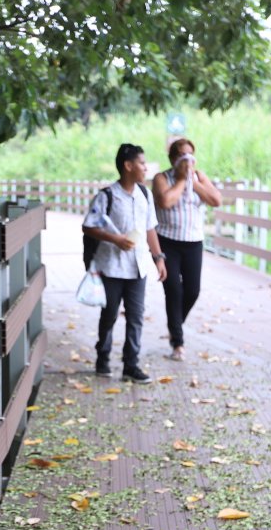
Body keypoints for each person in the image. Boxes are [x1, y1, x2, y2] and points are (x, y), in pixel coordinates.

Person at [83, 143, 168, 384]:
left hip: (137, 267)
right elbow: (88, 226)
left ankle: (131, 365)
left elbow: (150, 228)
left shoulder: (145, 194)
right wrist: (116, 239)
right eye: (142, 163)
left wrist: (158, 258)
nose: (145, 168)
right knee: (109, 314)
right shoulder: (107, 195)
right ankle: (103, 358)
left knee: (136, 317)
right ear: (128, 166)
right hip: (111, 267)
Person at [152, 137, 222, 361]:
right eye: (182, 155)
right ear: (173, 158)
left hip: (193, 242)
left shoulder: (199, 176)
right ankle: (178, 342)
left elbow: (216, 200)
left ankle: (175, 325)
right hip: (168, 241)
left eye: (191, 155)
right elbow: (165, 201)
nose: (187, 159)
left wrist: (194, 182)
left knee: (192, 291)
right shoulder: (162, 178)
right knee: (174, 289)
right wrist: (182, 180)